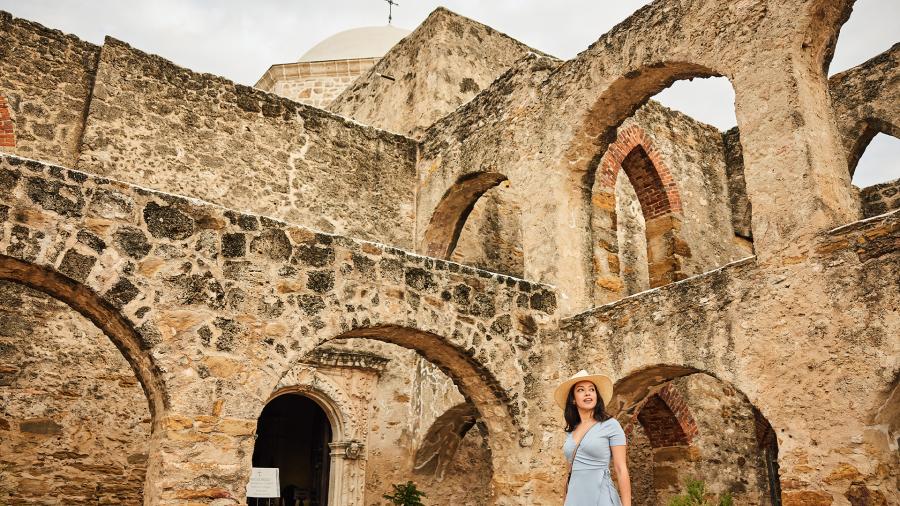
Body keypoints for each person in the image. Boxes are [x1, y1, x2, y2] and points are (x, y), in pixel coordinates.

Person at [554, 370, 631, 506]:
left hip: (601, 497)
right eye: (581, 390)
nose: (588, 393)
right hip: (575, 499)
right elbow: (570, 472)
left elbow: (621, 468)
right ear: (573, 399)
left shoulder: (611, 425)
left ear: (596, 396)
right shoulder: (572, 430)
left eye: (592, 389)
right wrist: (565, 500)